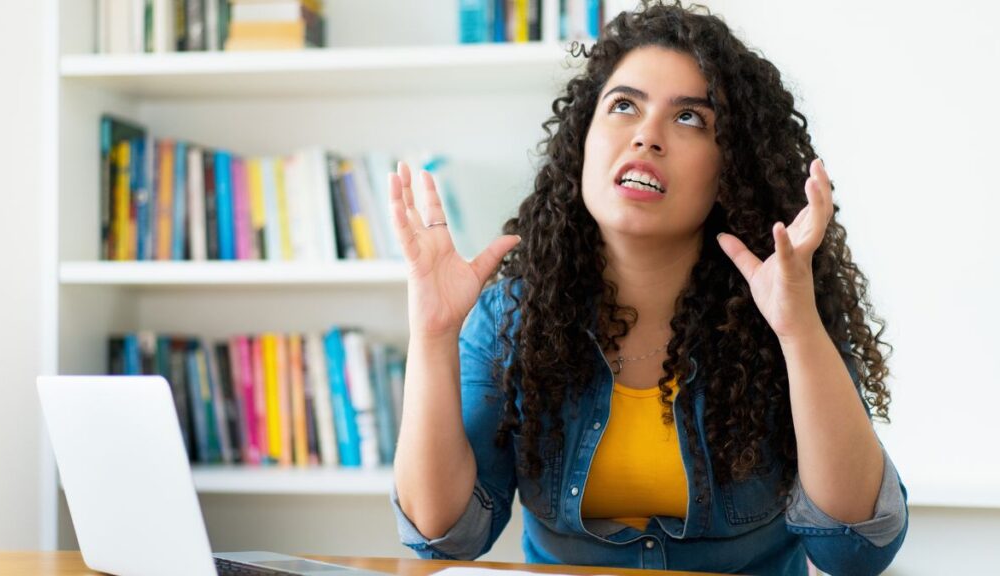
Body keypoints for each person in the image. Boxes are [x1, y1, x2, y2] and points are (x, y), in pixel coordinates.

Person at [387, 1, 908, 574]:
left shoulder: (784, 308)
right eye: (624, 106)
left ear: (730, 168)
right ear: (582, 141)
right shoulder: (512, 318)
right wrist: (433, 335)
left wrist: (799, 331)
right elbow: (442, 536)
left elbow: (855, 549)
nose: (646, 137)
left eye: (690, 118)